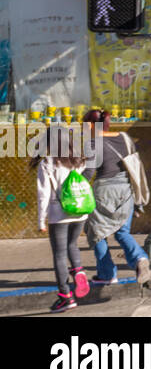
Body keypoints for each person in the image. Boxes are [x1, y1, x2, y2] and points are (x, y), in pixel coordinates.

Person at [82, 109, 150, 287]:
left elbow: (89, 172)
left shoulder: (93, 143)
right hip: (126, 190)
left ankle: (107, 274)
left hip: (105, 192)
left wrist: (73, 185)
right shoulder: (125, 138)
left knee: (96, 232)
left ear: (91, 125)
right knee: (122, 231)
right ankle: (140, 258)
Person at [33, 127, 91, 312]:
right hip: (80, 211)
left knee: (59, 254)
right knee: (72, 245)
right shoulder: (78, 161)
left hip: (59, 213)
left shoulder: (48, 163)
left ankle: (66, 296)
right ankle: (79, 271)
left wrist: (41, 220)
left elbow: (43, 194)